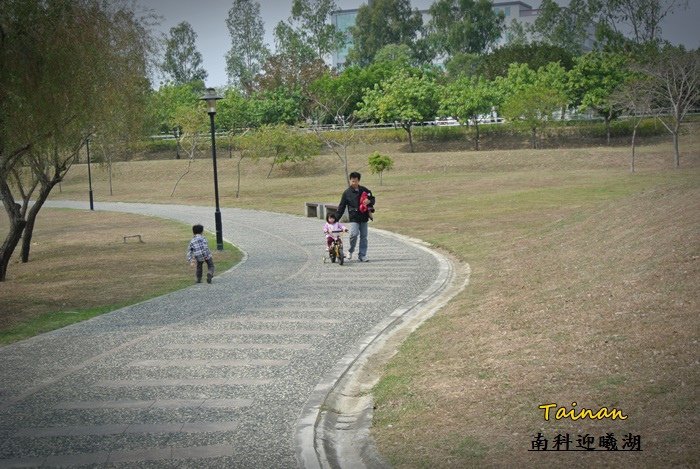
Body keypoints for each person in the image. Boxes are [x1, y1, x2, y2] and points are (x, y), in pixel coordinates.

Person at [334, 171, 375, 262]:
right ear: (350, 180)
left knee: (364, 237)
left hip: (364, 217)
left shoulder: (364, 190)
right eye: (352, 181)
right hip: (354, 218)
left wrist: (369, 201)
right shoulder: (346, 193)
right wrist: (335, 219)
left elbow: (372, 198)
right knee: (353, 234)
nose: (354, 183)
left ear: (358, 180)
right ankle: (350, 251)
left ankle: (362, 255)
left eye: (355, 181)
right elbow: (341, 207)